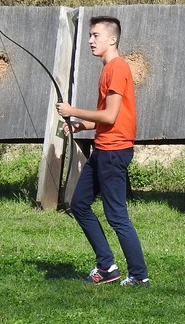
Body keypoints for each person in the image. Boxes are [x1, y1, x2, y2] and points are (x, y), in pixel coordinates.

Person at [56, 16, 149, 286]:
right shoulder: (109, 69)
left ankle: (139, 275)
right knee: (79, 204)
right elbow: (107, 119)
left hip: (114, 152)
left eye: (96, 35)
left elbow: (109, 115)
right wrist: (80, 125)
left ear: (112, 39)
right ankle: (107, 266)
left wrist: (72, 110)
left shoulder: (117, 68)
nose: (90, 40)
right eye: (90, 35)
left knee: (117, 215)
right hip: (102, 150)